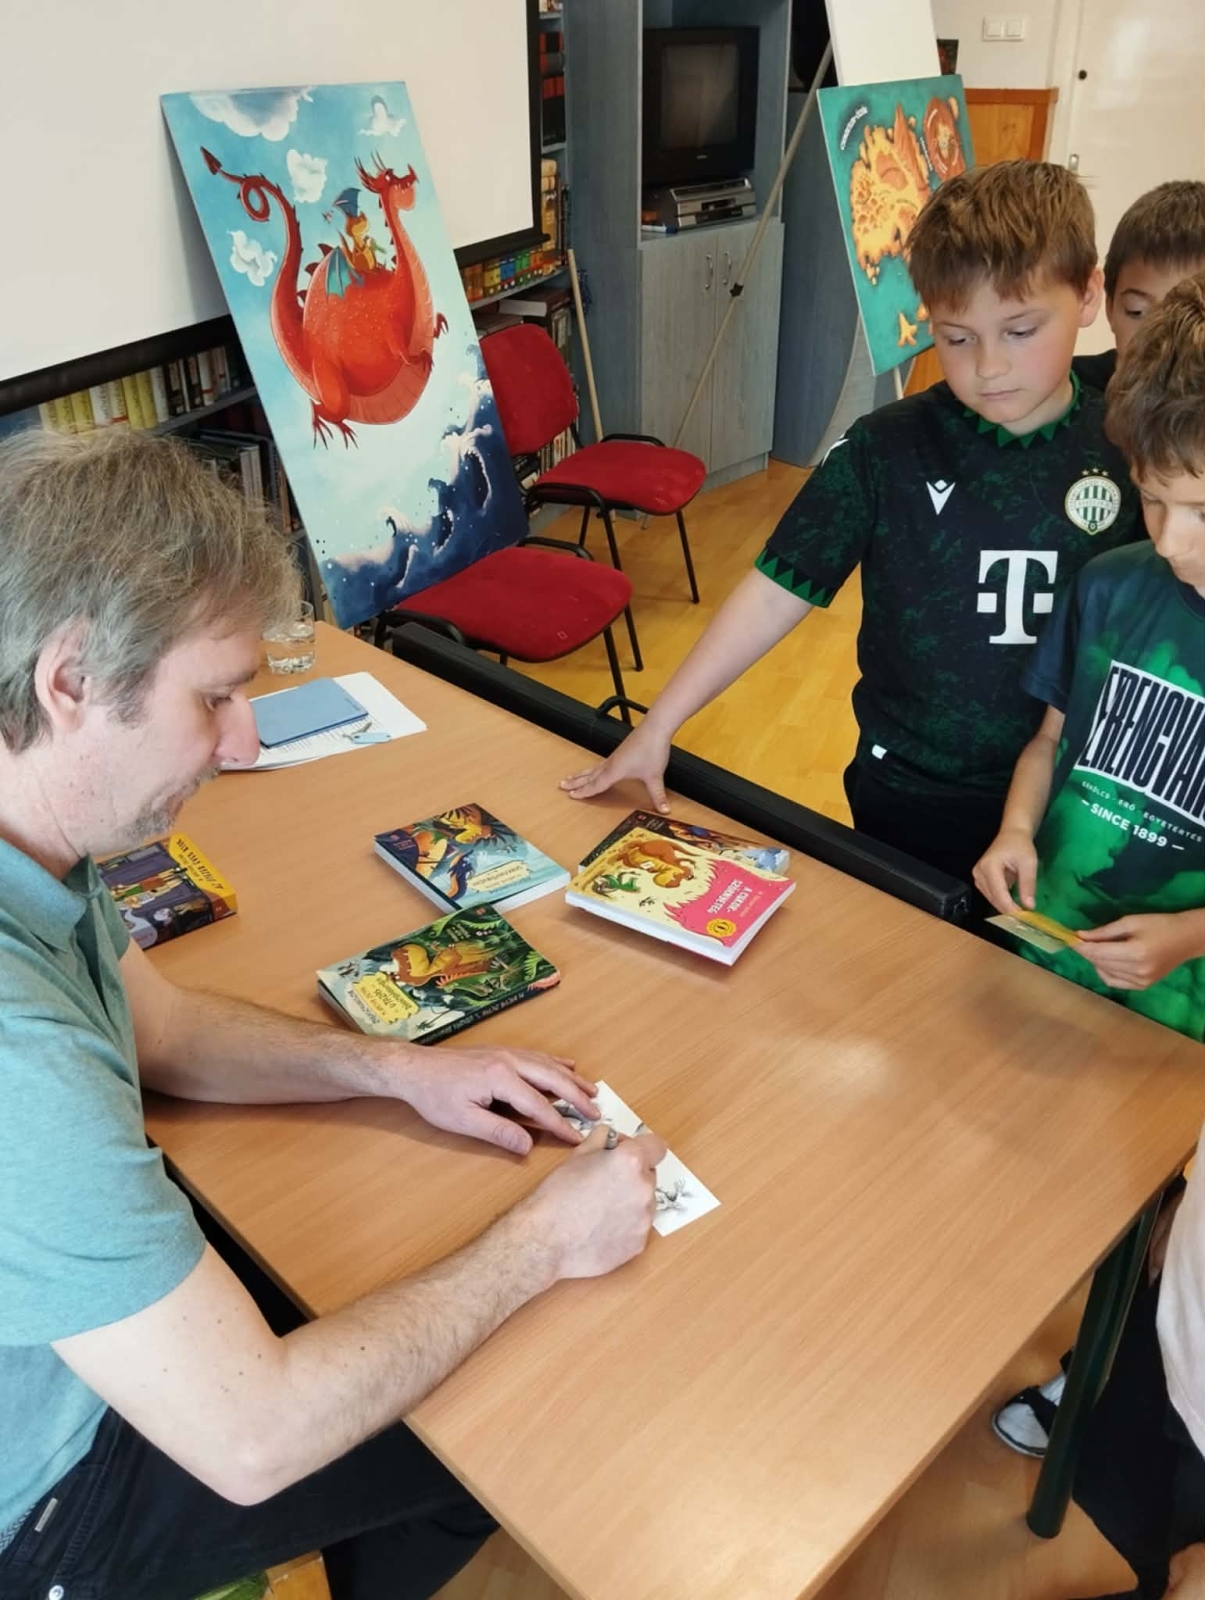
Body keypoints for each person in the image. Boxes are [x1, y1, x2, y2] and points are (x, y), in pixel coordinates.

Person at [0, 428, 666, 1600]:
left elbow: (163, 1031)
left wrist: (395, 1066)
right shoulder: (22, 1054)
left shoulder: (40, 834)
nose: (244, 738)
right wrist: (544, 1243)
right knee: (484, 1421)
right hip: (43, 1505)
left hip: (88, 1361)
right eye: (214, 696)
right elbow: (252, 1437)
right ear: (72, 680)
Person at [562, 161, 1141, 890]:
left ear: (1087, 294)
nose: (990, 367)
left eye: (1020, 330)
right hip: (907, 789)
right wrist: (658, 726)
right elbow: (776, 590)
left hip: (1079, 792)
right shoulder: (885, 448)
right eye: (956, 338)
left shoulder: (1132, 448)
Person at [975, 276, 1205, 1600]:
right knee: (1009, 1171)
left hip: (1171, 1027)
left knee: (1133, 1225)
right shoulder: (1112, 584)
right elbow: (1050, 737)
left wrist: (1186, 940)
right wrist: (1016, 828)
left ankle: (1096, 1374)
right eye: (1153, 498)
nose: (1171, 538)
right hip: (1048, 966)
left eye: (1201, 509)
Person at [1073, 179, 1205, 391]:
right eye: (1137, 312)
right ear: (1110, 308)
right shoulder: (1071, 390)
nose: (1159, 342)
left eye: (1190, 315)